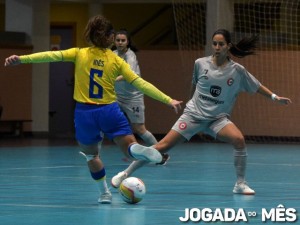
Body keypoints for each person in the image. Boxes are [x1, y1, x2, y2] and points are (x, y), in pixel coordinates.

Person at [4, 15, 182, 204]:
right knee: (128, 146)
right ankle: (137, 150)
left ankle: (104, 193)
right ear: (111, 37)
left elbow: (49, 55)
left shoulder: (79, 53)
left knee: (92, 155)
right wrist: (167, 99)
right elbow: (140, 83)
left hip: (85, 114)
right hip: (109, 111)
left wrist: (21, 59)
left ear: (89, 34)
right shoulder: (116, 60)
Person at [111, 28, 292, 195]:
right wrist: (189, 105)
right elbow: (194, 84)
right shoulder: (200, 63)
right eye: (214, 43)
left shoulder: (237, 71)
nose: (217, 47)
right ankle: (124, 174)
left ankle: (240, 184)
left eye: (221, 44)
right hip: (193, 116)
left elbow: (257, 86)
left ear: (228, 46)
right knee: (161, 147)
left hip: (217, 119)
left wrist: (275, 97)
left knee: (239, 140)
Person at [113, 29, 170, 166]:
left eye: (123, 40)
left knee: (139, 129)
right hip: (116, 97)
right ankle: (94, 154)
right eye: (118, 40)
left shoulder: (130, 55)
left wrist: (112, 79)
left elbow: (129, 74)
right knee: (106, 121)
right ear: (114, 41)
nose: (120, 43)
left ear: (128, 42)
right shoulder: (112, 54)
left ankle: (161, 154)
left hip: (133, 97)